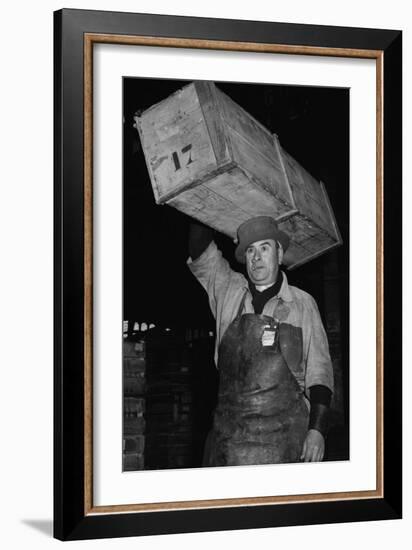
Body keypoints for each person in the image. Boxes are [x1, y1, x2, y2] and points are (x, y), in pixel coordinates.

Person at [188, 216, 334, 467]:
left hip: (286, 441)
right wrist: (205, 200)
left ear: (279, 254)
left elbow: (319, 374)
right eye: (250, 251)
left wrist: (317, 430)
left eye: (264, 248)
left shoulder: (302, 304)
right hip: (229, 442)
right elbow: (200, 250)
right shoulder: (229, 290)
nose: (256, 258)